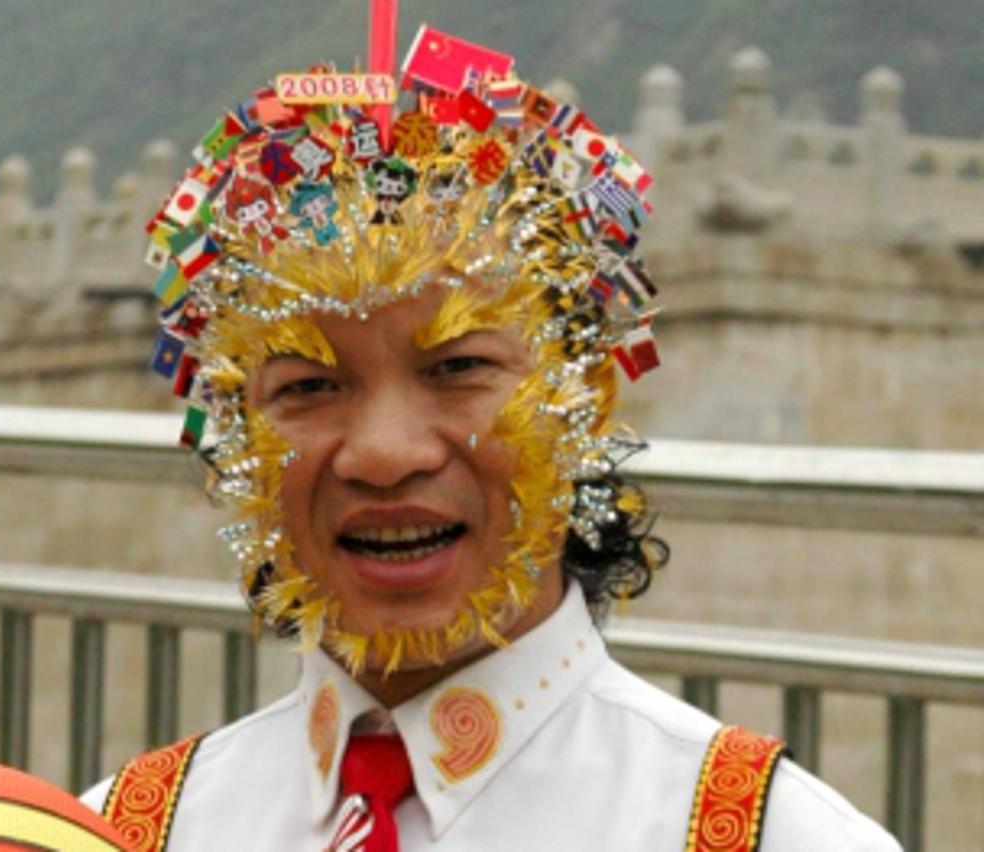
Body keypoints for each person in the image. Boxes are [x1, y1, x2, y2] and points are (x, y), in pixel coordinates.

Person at [83, 25, 900, 852]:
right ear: (234, 429)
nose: (384, 453)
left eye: (458, 367)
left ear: (582, 389)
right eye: (309, 387)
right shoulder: (126, 831)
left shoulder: (761, 836)